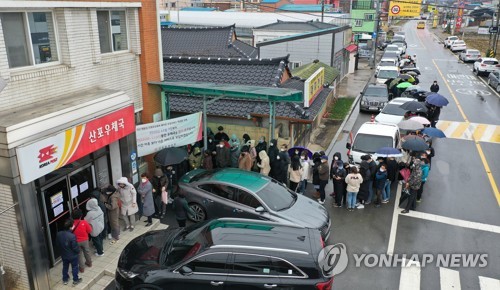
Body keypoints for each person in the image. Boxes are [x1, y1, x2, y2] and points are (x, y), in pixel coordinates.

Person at [56, 218, 82, 286]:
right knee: (74, 267)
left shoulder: (59, 234)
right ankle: (75, 280)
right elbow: (75, 247)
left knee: (65, 267)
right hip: (73, 256)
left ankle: (65, 279)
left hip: (64, 255)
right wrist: (78, 251)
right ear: (70, 227)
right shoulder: (72, 236)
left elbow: (57, 244)